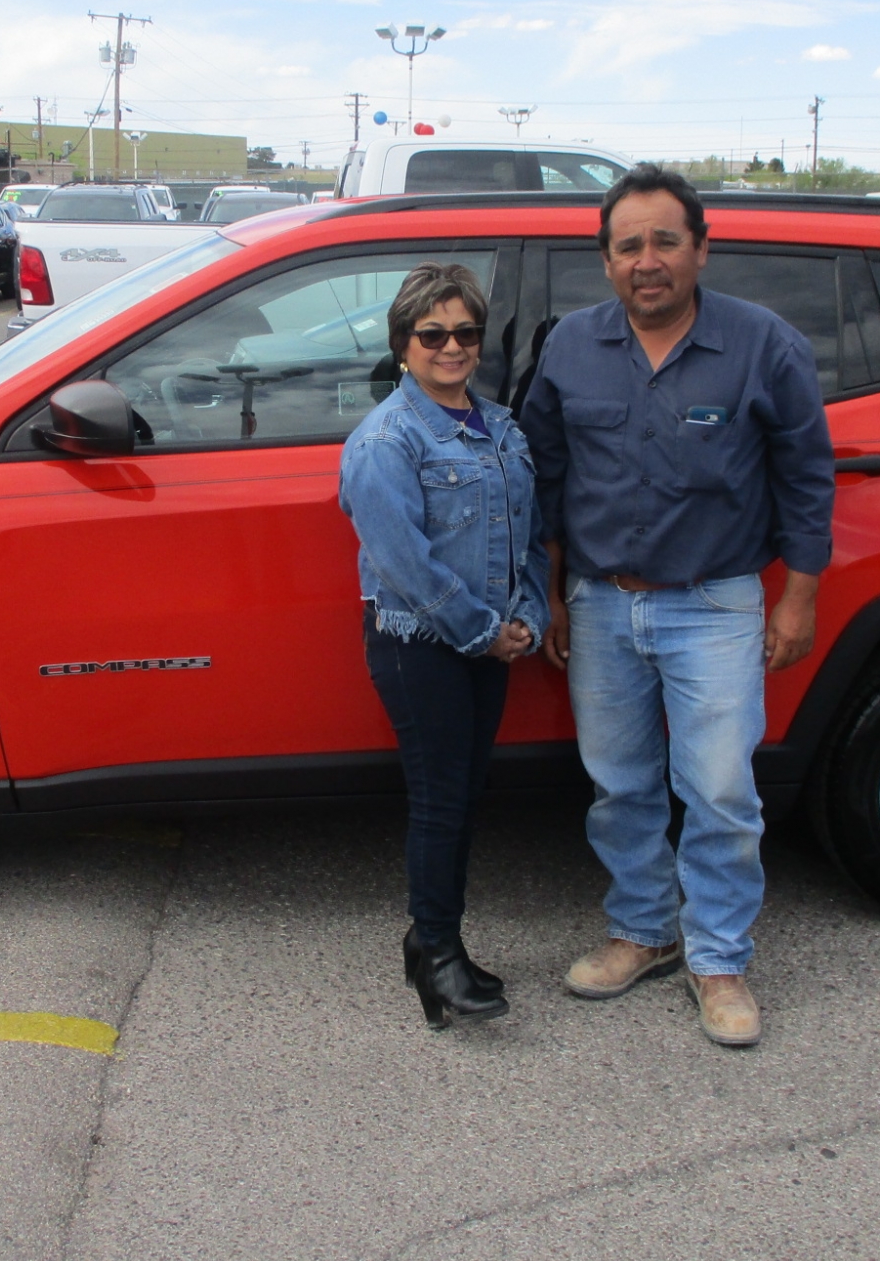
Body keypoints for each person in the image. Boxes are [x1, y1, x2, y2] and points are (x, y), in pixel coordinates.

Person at [520, 165, 834, 1047]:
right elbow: (547, 476)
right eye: (629, 246)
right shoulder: (571, 346)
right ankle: (645, 930)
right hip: (601, 604)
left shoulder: (763, 345)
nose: (646, 260)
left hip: (716, 602)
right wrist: (555, 594)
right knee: (619, 785)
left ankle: (720, 957)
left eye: (665, 241)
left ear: (701, 248)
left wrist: (799, 599)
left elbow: (807, 477)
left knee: (721, 789)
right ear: (606, 261)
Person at [338, 262, 550, 1030]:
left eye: (465, 332)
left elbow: (528, 537)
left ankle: (431, 944)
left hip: (488, 642)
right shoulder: (386, 440)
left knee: (464, 796)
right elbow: (404, 561)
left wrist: (529, 616)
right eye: (433, 334)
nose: (451, 347)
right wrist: (484, 633)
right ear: (404, 344)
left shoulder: (500, 428)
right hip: (421, 643)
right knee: (439, 802)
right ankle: (437, 950)